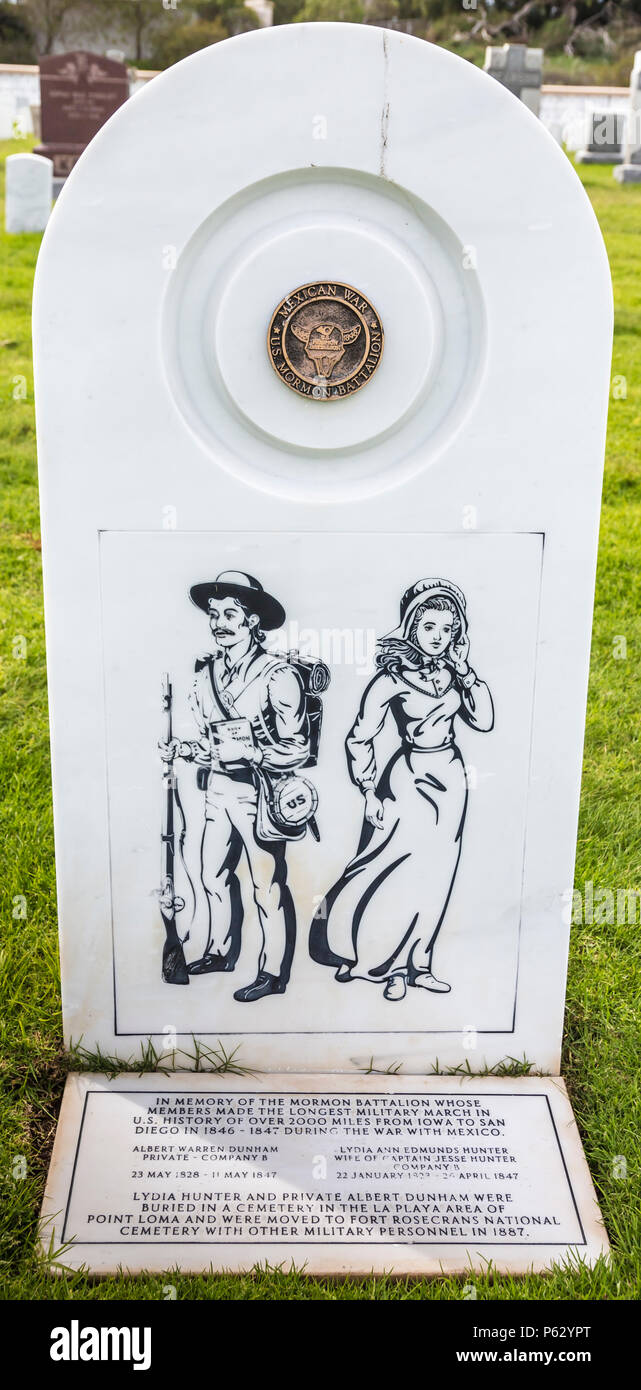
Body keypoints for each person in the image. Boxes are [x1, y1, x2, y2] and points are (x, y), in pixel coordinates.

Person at [309, 577, 493, 1001]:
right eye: (429, 627)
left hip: (451, 779)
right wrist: (370, 790)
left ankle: (420, 964)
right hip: (406, 779)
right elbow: (359, 737)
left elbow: (483, 720)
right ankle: (384, 966)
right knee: (393, 869)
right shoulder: (389, 680)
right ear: (412, 627)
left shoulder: (454, 676)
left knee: (438, 872)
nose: (438, 638)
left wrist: (464, 671)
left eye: (447, 630)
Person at [160, 571, 309, 1003]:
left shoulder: (277, 675)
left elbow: (297, 747)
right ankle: (221, 951)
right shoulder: (205, 674)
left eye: (230, 614)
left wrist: (258, 756)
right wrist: (182, 749)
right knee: (212, 875)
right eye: (214, 614)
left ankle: (272, 972)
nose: (219, 622)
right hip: (217, 791)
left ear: (252, 623)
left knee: (267, 885)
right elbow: (211, 740)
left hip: (261, 793)